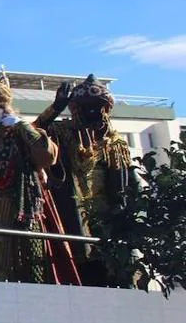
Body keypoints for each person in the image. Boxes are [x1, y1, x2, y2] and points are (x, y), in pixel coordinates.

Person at [0, 73, 80, 284]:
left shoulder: (19, 129)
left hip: (22, 201)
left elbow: (47, 154)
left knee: (31, 258)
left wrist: (22, 126)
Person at [35, 75, 134, 286]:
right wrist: (55, 108)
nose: (93, 113)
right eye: (85, 108)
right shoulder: (60, 133)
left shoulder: (115, 144)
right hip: (71, 220)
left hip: (107, 225)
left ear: (106, 110)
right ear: (75, 109)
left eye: (98, 108)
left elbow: (124, 190)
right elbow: (30, 136)